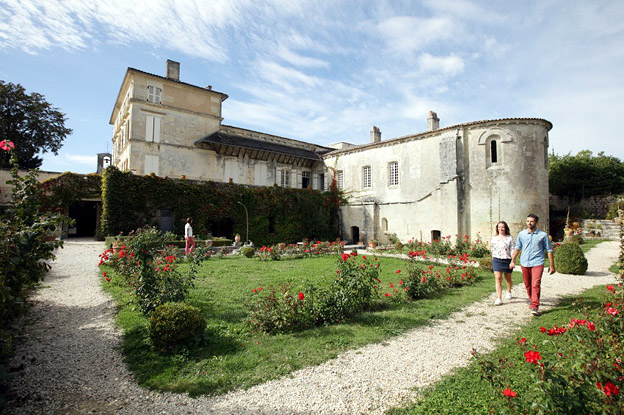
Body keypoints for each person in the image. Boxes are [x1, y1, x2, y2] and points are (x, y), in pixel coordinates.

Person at [510, 214, 555, 315]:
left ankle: (534, 305)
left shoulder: (543, 235)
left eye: (531, 221)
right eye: (528, 221)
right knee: (527, 284)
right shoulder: (522, 234)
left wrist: (552, 265)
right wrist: (512, 260)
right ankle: (532, 299)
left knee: (535, 284)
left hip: (537, 262)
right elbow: (517, 247)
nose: (529, 223)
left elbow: (549, 250)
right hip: (525, 262)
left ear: (536, 222)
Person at [491, 221, 514, 306]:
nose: (501, 229)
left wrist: (513, 260)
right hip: (497, 260)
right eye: (499, 227)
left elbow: (512, 249)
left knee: (508, 278)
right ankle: (499, 298)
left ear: (506, 228)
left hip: (507, 259)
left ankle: (508, 291)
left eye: (503, 227)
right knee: (498, 278)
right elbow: (492, 249)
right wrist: (492, 258)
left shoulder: (510, 238)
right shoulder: (494, 238)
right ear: (497, 228)